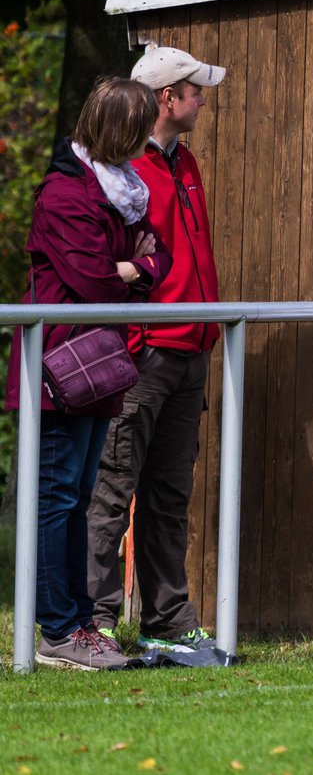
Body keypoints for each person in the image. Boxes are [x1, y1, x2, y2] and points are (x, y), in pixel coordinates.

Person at [5, 77, 172, 669]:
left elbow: (159, 260)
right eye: (142, 126)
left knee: (75, 497)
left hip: (97, 364)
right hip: (58, 368)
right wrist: (132, 267)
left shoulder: (119, 191)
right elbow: (98, 282)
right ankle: (58, 629)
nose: (151, 137)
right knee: (56, 497)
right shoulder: (65, 195)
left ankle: (77, 623)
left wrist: (132, 267)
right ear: (121, 130)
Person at [81, 47, 224, 654]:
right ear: (168, 97)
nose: (202, 100)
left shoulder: (184, 161)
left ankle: (169, 620)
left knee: (171, 492)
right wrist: (133, 341)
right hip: (143, 354)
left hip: (190, 349)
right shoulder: (122, 167)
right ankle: (95, 620)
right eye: (195, 90)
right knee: (114, 487)